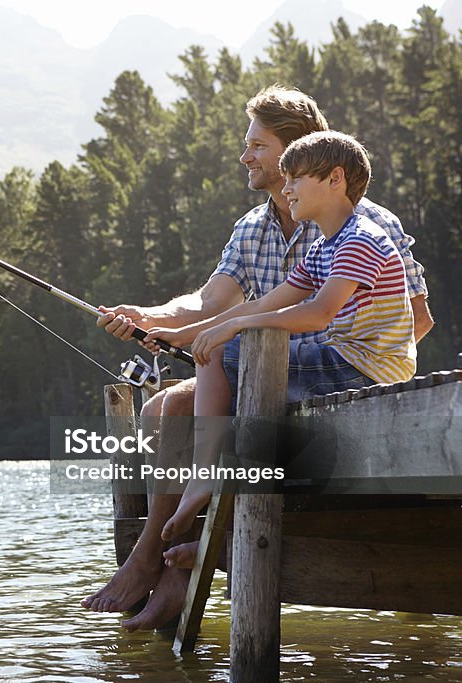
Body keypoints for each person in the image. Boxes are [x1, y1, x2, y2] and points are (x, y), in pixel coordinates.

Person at [81, 85, 433, 631]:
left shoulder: (366, 226)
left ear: (299, 151)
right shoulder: (254, 229)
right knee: (160, 412)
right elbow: (207, 304)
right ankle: (166, 563)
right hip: (262, 370)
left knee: (184, 410)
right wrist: (148, 318)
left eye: (256, 145)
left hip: (335, 375)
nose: (245, 156)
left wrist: (257, 340)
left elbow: (415, 322)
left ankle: (166, 552)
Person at [145, 130, 416, 539]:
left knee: (227, 353)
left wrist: (233, 328)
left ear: (335, 178)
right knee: (225, 352)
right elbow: (262, 304)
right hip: (342, 360)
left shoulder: (361, 239)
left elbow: (318, 314)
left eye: (296, 179)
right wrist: (197, 331)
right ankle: (218, 527)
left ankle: (205, 482)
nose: (285, 189)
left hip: (367, 370)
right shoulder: (324, 247)